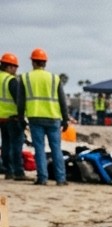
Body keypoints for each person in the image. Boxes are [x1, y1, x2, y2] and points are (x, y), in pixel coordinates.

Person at [17, 48, 69, 186]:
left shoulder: (25, 78)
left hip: (35, 117)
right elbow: (62, 101)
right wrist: (66, 119)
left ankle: (42, 178)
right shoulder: (54, 78)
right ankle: (61, 179)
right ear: (45, 63)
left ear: (33, 62)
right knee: (56, 148)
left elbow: (21, 101)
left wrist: (21, 118)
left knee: (39, 148)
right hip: (53, 118)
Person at [0, 52, 24, 181]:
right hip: (12, 117)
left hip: (1, 118)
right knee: (16, 145)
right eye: (14, 67)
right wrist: (22, 116)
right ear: (8, 67)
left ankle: (8, 171)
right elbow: (18, 100)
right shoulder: (11, 80)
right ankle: (18, 172)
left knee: (5, 145)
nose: (15, 70)